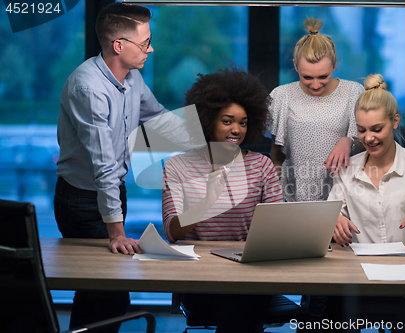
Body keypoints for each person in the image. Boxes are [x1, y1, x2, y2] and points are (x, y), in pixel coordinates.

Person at [54, 3, 191, 332]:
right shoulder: (89, 88)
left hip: (112, 192)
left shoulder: (133, 79)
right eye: (145, 42)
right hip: (82, 200)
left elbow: (158, 121)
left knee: (101, 290)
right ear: (119, 45)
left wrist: (212, 140)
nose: (151, 48)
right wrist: (116, 234)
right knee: (108, 291)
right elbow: (104, 166)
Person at [162, 67, 282, 332]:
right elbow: (171, 232)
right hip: (200, 276)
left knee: (243, 302)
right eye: (227, 121)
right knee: (240, 309)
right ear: (207, 120)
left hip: (250, 274)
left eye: (243, 122)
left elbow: (278, 225)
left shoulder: (261, 165)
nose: (236, 130)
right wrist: (207, 200)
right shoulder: (178, 166)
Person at [323, 74, 405, 331]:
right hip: (357, 277)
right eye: (361, 130)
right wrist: (335, 219)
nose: (368, 138)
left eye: (377, 129)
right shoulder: (347, 169)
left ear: (395, 121)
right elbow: (331, 213)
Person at [269, 17, 364, 203]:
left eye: (323, 76)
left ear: (335, 64)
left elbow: (367, 146)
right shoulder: (282, 95)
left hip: (344, 195)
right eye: (306, 77)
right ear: (295, 65)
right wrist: (274, 197)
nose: (315, 84)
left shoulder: (353, 92)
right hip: (294, 196)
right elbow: (276, 153)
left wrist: (349, 140)